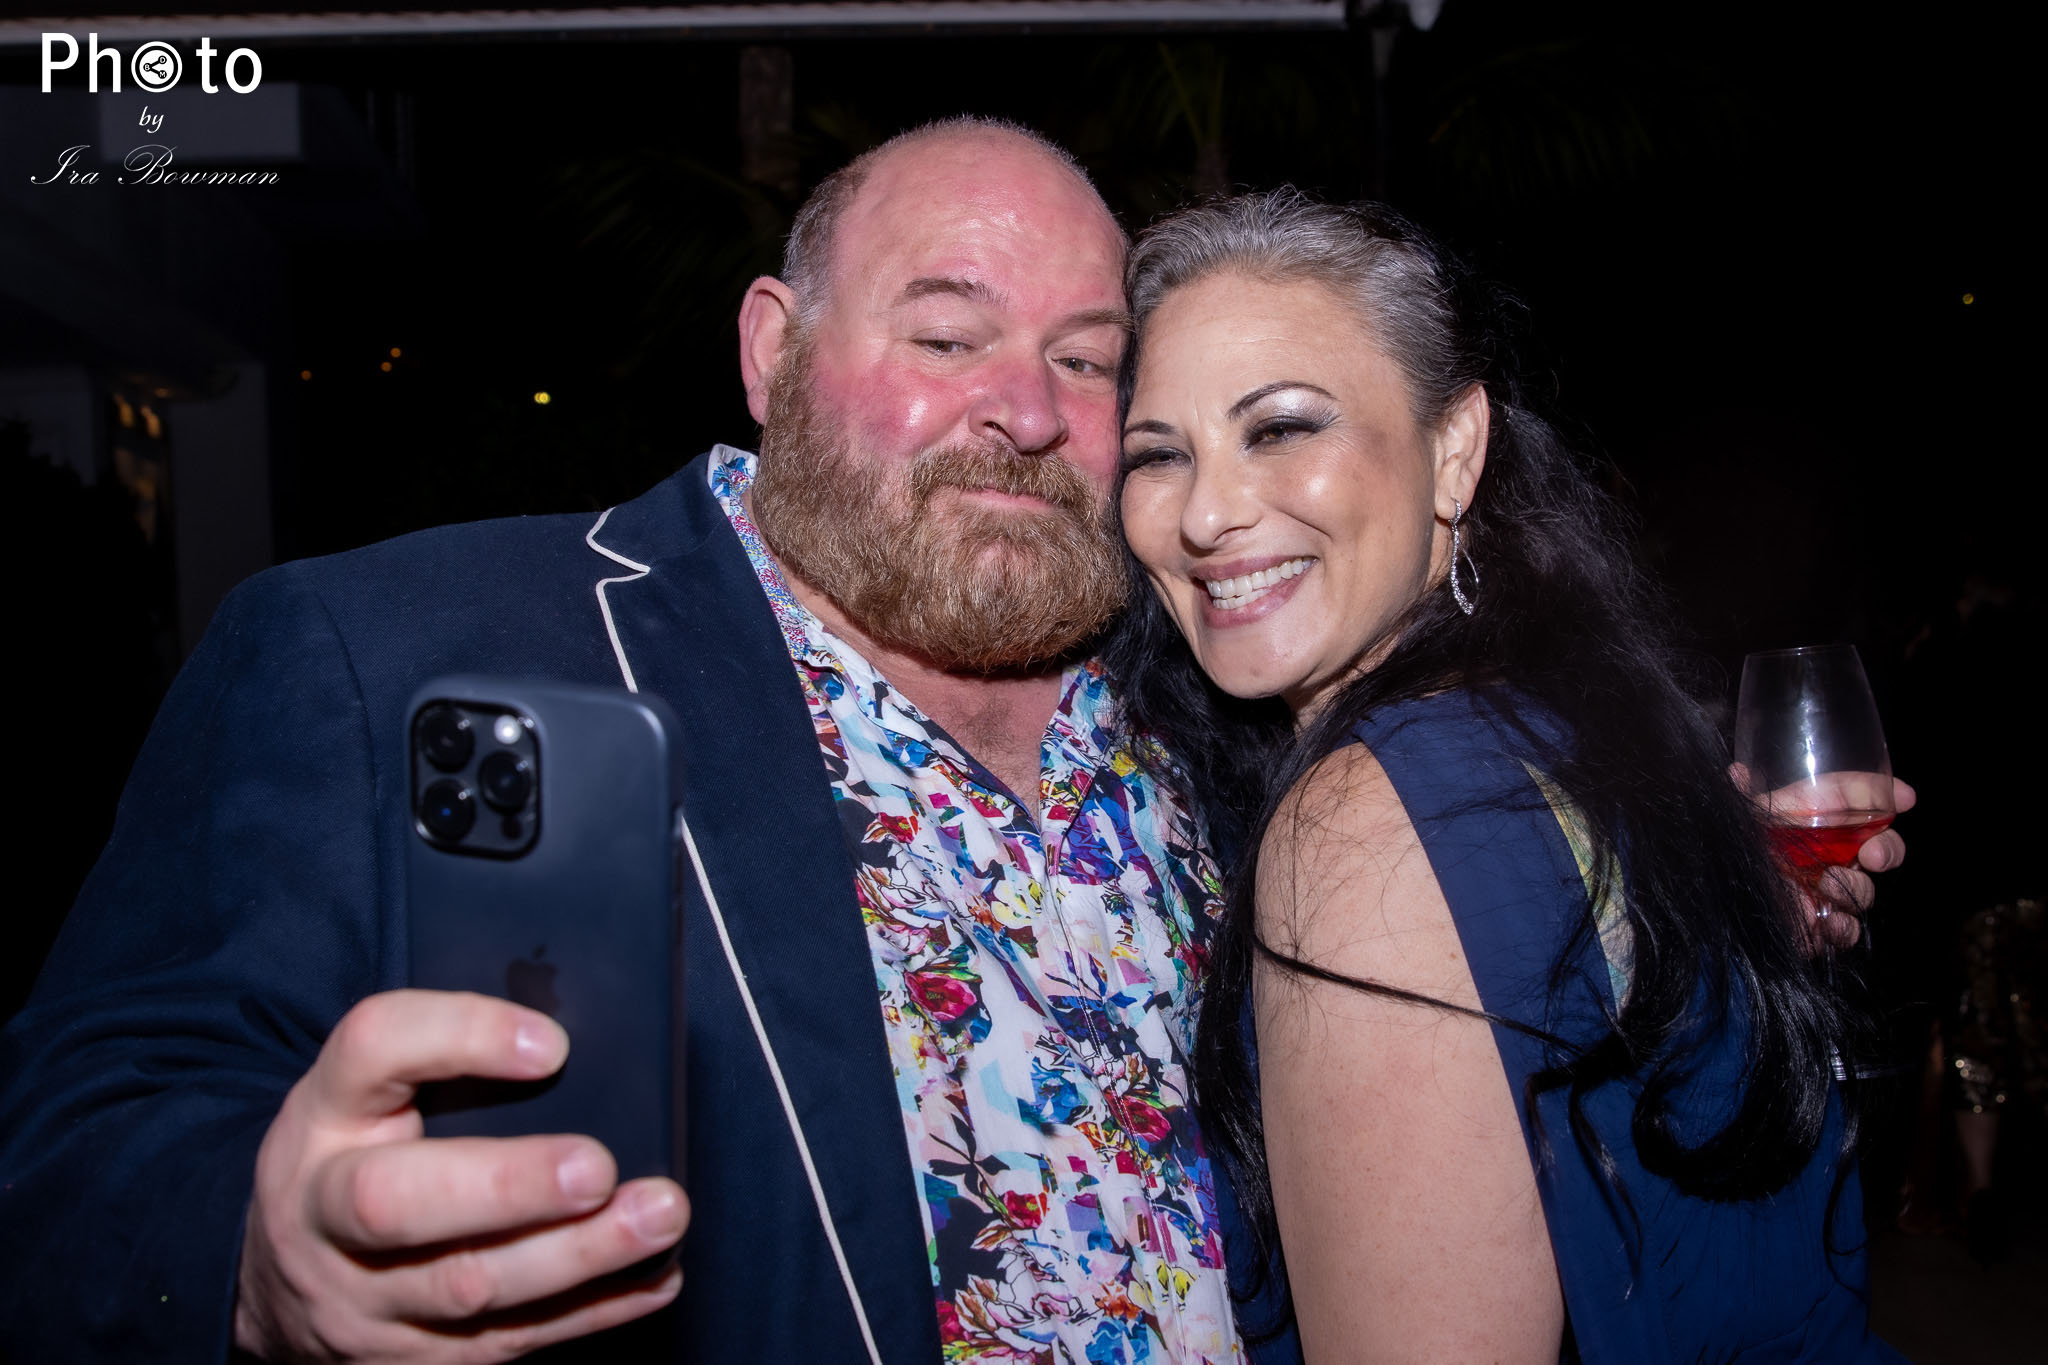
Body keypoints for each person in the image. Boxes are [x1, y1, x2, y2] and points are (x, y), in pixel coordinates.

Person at [0, 124, 1896, 1365]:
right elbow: (73, 1141)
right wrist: (253, 1262)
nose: (1024, 409)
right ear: (772, 350)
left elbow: (1458, 942)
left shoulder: (1219, 686)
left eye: (1086, 359)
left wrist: (1671, 884)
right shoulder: (394, 648)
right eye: (943, 333)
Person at [1107, 190, 1911, 1362]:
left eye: (1278, 429)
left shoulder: (1359, 827)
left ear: (1453, 450)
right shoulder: (1575, 723)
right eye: (1158, 454)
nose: (1206, 512)